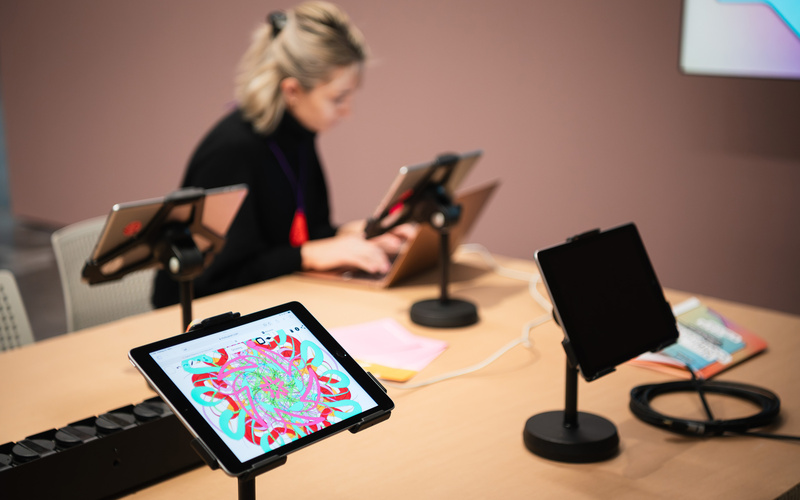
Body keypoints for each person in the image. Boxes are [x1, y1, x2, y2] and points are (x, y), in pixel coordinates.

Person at [152, 1, 409, 308]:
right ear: (292, 92)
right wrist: (308, 254)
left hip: (268, 299)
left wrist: (360, 234)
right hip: (194, 317)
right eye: (338, 98)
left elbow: (305, 231)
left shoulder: (298, 135)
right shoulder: (232, 151)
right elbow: (221, 277)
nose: (348, 112)